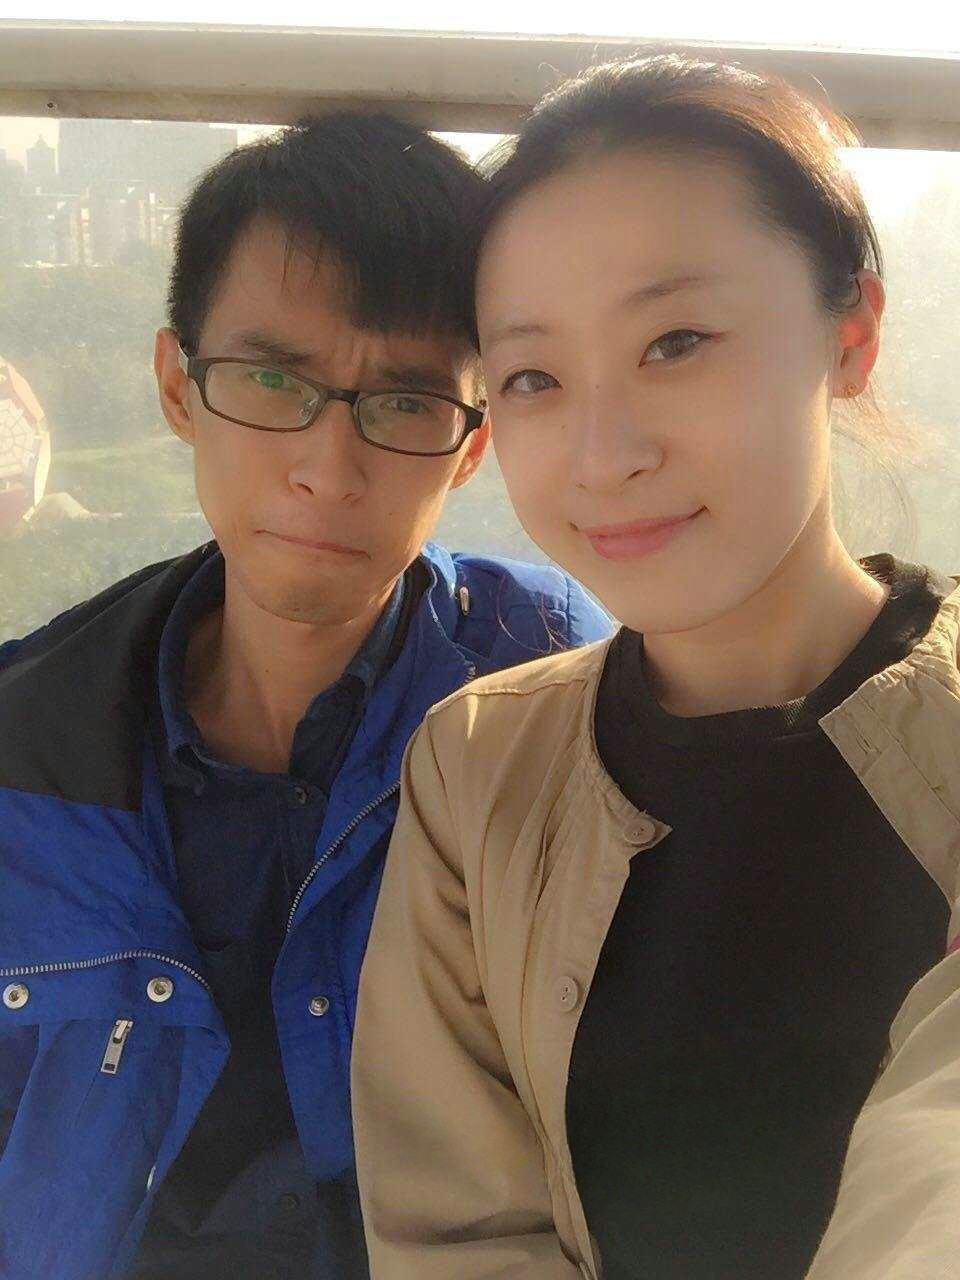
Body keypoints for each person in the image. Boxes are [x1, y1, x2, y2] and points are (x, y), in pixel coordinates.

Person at [352, 54, 960, 1280]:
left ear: (851, 333)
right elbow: (455, 1235)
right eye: (533, 377)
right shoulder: (478, 769)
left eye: (675, 341)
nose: (603, 454)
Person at [0, 113, 610, 1280]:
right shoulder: (26, 745)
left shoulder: (550, 686)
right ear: (178, 386)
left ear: (471, 445)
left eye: (406, 402)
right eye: (273, 379)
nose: (329, 469)